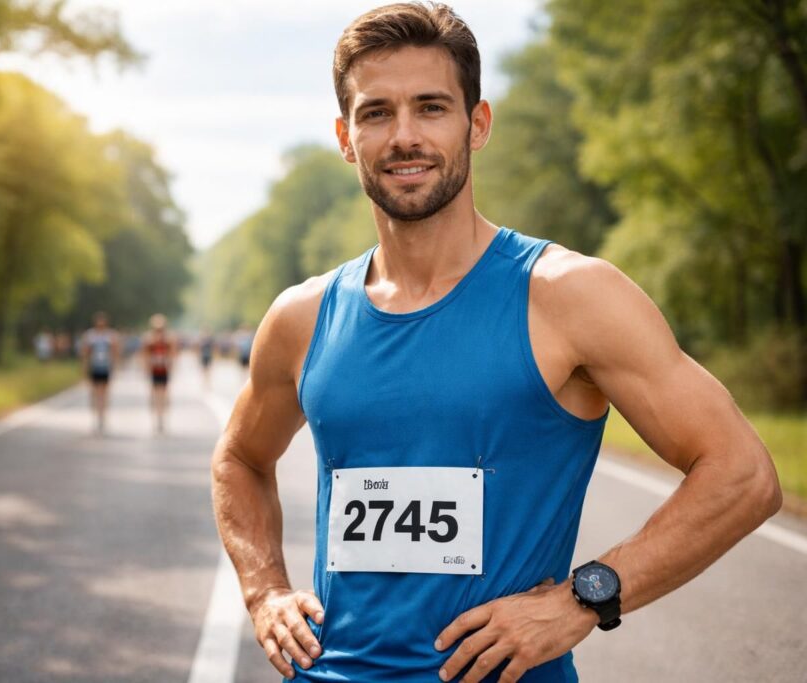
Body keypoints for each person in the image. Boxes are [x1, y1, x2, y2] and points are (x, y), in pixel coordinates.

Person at [210, 4, 782, 682]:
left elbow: (743, 473)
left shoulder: (569, 295)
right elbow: (240, 459)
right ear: (344, 136)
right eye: (376, 113)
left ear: (476, 124)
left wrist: (584, 597)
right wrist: (264, 588)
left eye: (431, 108)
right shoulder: (302, 318)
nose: (404, 137)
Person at [80, 312, 118, 434]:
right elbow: (85, 353)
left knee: (105, 394)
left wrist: (115, 366)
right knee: (95, 393)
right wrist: (85, 367)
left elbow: (114, 352)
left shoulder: (110, 335)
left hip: (106, 367)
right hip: (94, 367)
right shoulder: (90, 336)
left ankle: (103, 417)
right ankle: (96, 417)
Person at [143, 313, 177, 434]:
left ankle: (162, 418)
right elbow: (145, 356)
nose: (159, 330)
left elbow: (173, 354)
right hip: (154, 371)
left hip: (164, 370)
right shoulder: (149, 340)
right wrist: (146, 369)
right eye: (157, 328)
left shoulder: (168, 340)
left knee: (164, 395)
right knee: (154, 395)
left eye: (161, 328)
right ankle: (156, 418)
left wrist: (171, 366)